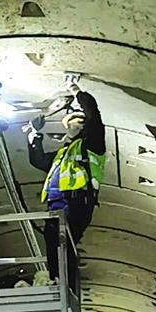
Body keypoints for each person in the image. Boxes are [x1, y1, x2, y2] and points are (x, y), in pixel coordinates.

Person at [26, 87, 106, 289]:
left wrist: (78, 93)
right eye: (71, 122)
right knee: (53, 241)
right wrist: (34, 135)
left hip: (77, 202)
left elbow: (94, 116)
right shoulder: (63, 153)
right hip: (56, 205)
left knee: (65, 243)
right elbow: (39, 161)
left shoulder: (92, 146)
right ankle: (57, 281)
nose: (74, 125)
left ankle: (66, 285)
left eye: (79, 121)